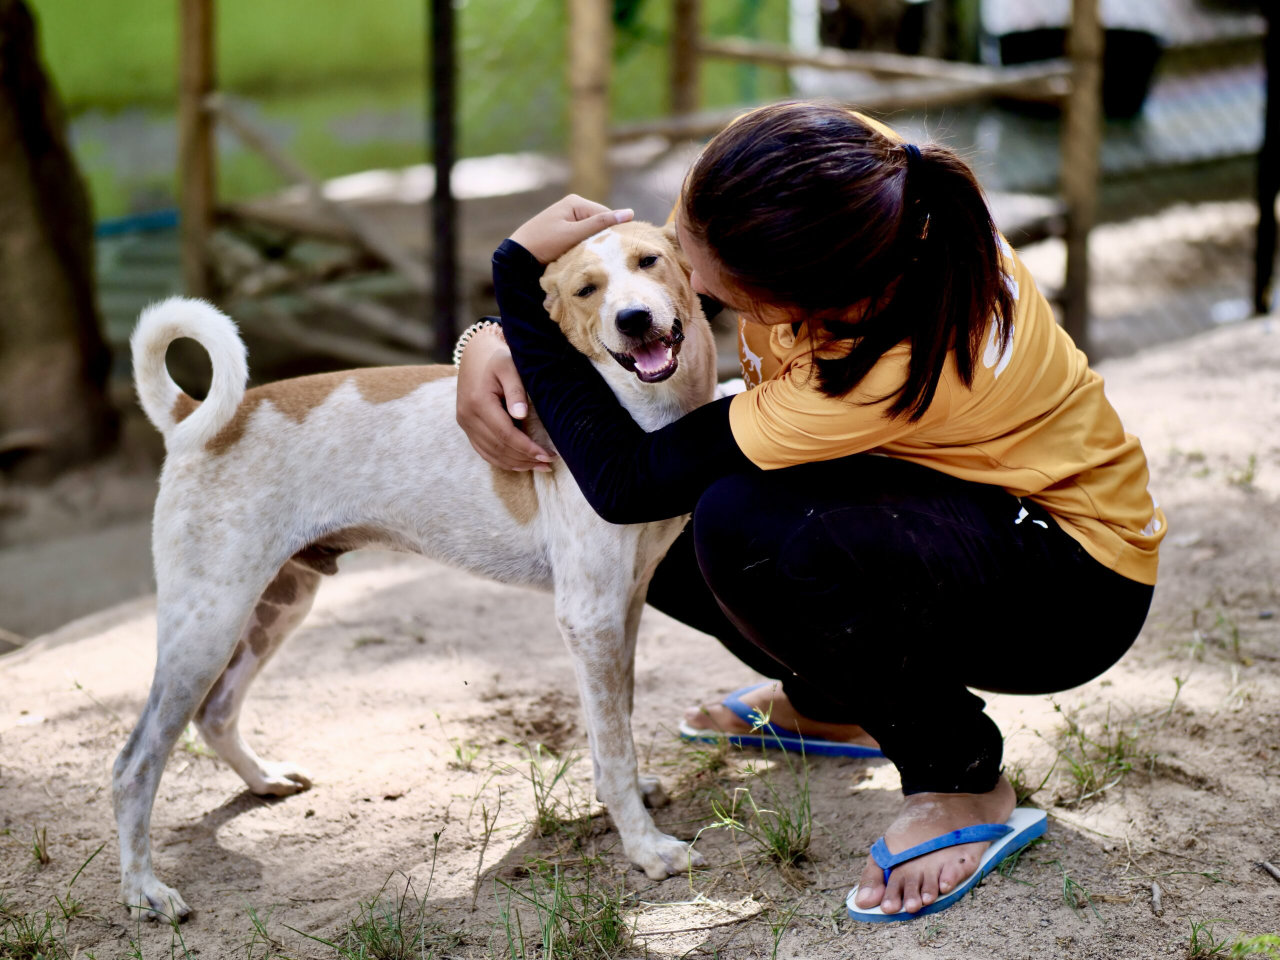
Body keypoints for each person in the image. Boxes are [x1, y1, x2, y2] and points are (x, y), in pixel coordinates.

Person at [455, 101, 1164, 919]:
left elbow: (627, 481)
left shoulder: (876, 364)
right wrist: (489, 339)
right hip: (949, 506)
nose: (676, 259)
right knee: (674, 530)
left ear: (795, 303)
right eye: (683, 223)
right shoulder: (845, 183)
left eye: (689, 258)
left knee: (744, 526)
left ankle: (961, 779)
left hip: (1069, 588)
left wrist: (512, 276)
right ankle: (832, 704)